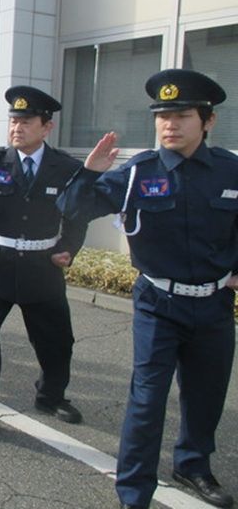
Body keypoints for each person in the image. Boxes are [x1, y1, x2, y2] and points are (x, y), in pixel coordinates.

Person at [58, 69, 237, 509]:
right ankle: (134, 491)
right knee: (147, 399)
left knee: (206, 394)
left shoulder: (232, 170)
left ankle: (192, 465)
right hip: (159, 302)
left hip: (214, 305)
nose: (169, 125)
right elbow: (71, 209)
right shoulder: (139, 173)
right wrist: (89, 173)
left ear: (208, 121)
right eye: (162, 116)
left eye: (181, 115)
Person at [0, 85, 88, 444]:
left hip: (43, 264)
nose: (16, 128)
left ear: (46, 127)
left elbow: (78, 214)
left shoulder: (66, 167)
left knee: (58, 341)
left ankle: (50, 395)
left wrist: (69, 248)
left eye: (25, 121)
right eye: (13, 121)